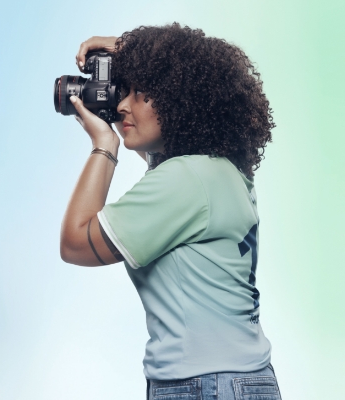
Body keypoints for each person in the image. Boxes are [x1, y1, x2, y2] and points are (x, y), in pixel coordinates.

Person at [61, 23, 282, 400]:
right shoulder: (223, 169)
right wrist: (128, 51)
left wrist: (103, 144)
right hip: (245, 379)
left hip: (204, 384)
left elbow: (76, 242)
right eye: (123, 91)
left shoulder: (184, 179)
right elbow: (177, 80)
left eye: (140, 93)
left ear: (181, 97)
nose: (121, 106)